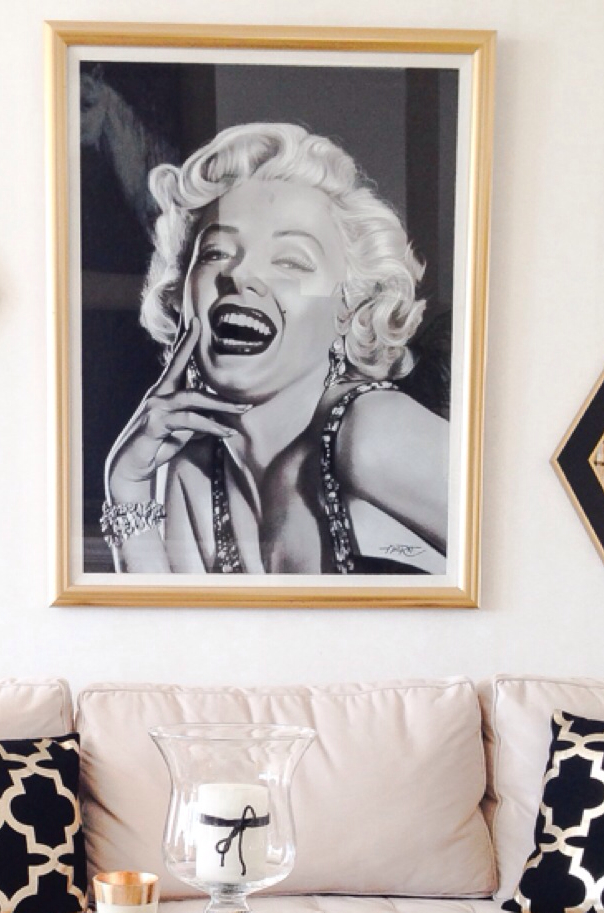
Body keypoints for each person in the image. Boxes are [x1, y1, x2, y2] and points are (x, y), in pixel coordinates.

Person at [100, 122, 449, 577]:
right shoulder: (192, 473)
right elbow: (168, 624)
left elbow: (526, 559)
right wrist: (126, 484)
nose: (240, 275)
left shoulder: (374, 433)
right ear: (182, 291)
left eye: (290, 260)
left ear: (350, 307)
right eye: (215, 253)